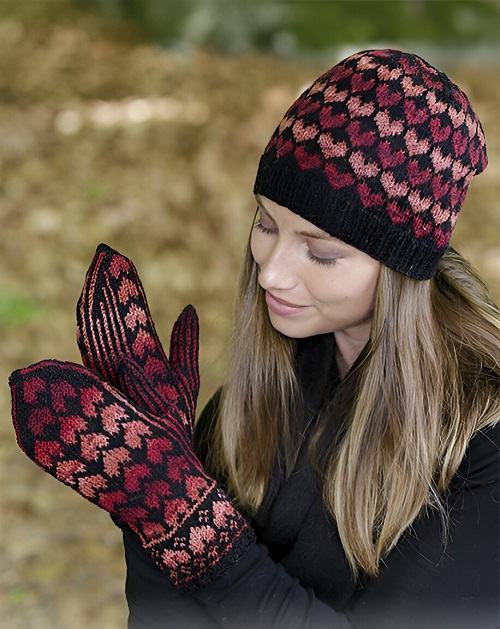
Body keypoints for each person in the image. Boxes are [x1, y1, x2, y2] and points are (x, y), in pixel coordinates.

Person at [10, 48, 499, 628]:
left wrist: (200, 536)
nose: (270, 272)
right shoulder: (260, 395)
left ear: (400, 269)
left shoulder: (479, 444)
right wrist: (148, 509)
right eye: (266, 224)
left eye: (321, 252)